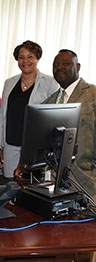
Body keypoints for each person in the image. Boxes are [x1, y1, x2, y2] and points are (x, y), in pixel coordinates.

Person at [0, 40, 59, 178]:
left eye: (30, 56)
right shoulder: (9, 83)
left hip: (36, 148)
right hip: (11, 145)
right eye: (21, 57)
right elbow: (2, 115)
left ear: (37, 58)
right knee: (10, 187)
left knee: (33, 189)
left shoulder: (50, 83)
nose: (25, 61)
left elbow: (54, 117)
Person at [42, 50, 96, 196]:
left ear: (77, 67)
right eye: (56, 65)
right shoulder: (48, 102)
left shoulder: (93, 94)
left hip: (89, 181)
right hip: (55, 182)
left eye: (66, 64)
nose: (59, 67)